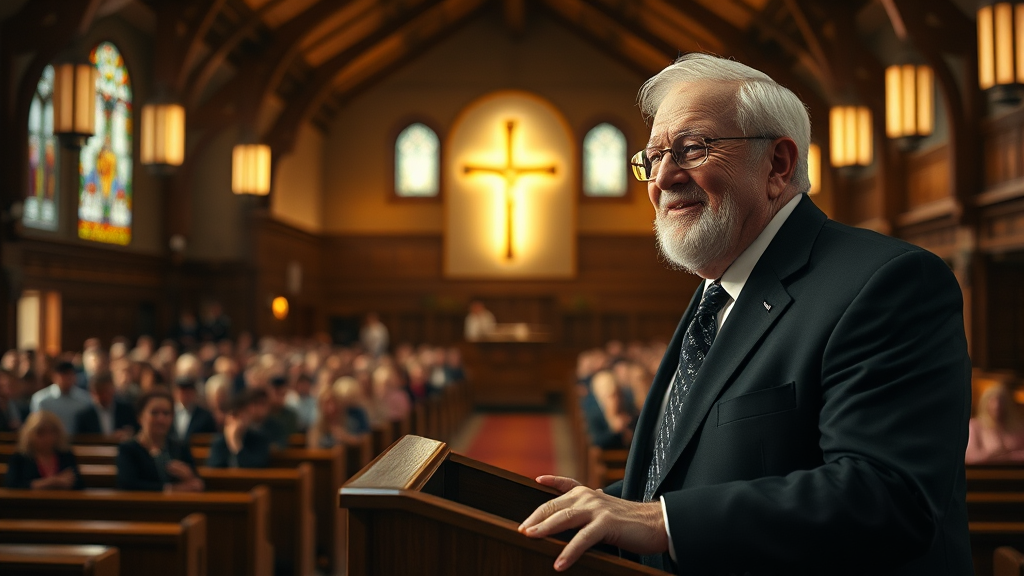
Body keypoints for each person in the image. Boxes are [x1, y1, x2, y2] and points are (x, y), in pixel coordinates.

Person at [519, 53, 972, 575]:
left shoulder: (889, 282)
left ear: (778, 164)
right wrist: (613, 503)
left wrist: (663, 521)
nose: (663, 177)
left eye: (691, 149)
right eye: (653, 156)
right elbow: (712, 463)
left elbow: (888, 496)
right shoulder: (722, 285)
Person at [116, 390, 203, 492]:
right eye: (154, 413)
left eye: (166, 413)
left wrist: (189, 475)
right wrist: (170, 489)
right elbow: (127, 485)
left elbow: (198, 484)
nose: (161, 419)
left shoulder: (179, 447)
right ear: (140, 417)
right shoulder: (128, 449)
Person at [4, 410, 83, 490]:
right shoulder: (20, 458)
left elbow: (79, 485)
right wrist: (51, 481)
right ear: (29, 435)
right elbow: (12, 486)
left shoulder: (66, 455)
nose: (47, 438)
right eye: (40, 433)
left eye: (52, 432)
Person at [207, 393, 271, 468]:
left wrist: (236, 444)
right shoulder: (219, 442)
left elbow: (256, 467)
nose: (238, 422)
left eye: (243, 416)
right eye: (235, 416)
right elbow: (213, 469)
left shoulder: (259, 439)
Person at [966, 383, 1024, 464]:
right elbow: (970, 458)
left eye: (1001, 401)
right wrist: (992, 455)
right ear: (985, 403)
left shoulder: (1017, 426)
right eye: (992, 401)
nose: (997, 405)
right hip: (985, 474)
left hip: (1015, 473)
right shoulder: (975, 426)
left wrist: (1009, 456)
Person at [29, 360, 91, 436]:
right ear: (54, 376)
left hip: (79, 441)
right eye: (63, 375)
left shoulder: (85, 399)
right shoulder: (41, 400)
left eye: (70, 375)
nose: (67, 379)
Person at [308, 377, 370, 449]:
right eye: (327, 403)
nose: (331, 407)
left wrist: (346, 437)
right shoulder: (317, 425)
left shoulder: (350, 421)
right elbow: (313, 450)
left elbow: (363, 441)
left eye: (334, 402)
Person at [73, 372, 137, 439]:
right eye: (99, 392)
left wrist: (128, 433)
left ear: (113, 389)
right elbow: (80, 440)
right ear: (92, 393)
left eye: (106, 391)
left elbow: (136, 432)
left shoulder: (127, 411)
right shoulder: (84, 416)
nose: (103, 396)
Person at [582, 370, 635, 450]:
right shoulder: (594, 414)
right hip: (608, 455)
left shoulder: (627, 407)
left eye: (618, 395)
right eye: (612, 396)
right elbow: (596, 441)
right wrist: (614, 431)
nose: (616, 400)